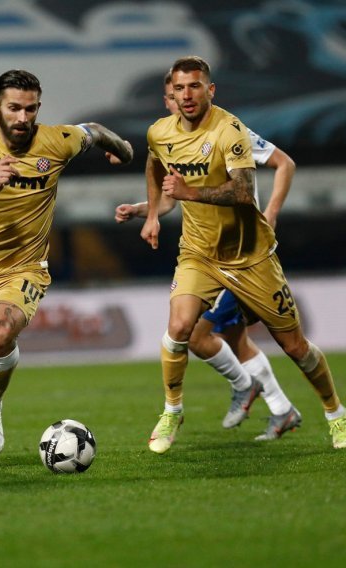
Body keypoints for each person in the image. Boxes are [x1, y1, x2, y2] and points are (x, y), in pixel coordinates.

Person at [139, 56, 345, 454]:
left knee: (296, 347)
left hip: (250, 257)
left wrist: (189, 194)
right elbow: (153, 166)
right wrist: (151, 214)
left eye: (195, 86)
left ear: (210, 90)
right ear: (171, 94)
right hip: (199, 253)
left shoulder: (229, 130)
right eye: (180, 88)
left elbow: (241, 191)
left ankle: (336, 413)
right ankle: (172, 411)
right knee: (180, 328)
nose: (187, 95)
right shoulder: (158, 133)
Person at [0, 69, 133, 470]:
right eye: (14, 108)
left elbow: (92, 130)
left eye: (30, 109)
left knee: (1, 330)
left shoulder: (57, 141)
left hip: (24, 267)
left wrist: (123, 150)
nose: (23, 118)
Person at [115, 71, 301, 441]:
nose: (176, 102)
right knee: (230, 338)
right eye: (171, 96)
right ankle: (281, 408)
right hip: (207, 252)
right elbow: (173, 196)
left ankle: (254, 390)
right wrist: (144, 211)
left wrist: (273, 212)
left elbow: (285, 163)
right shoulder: (172, 140)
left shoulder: (231, 134)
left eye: (183, 92)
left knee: (199, 336)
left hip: (240, 253)